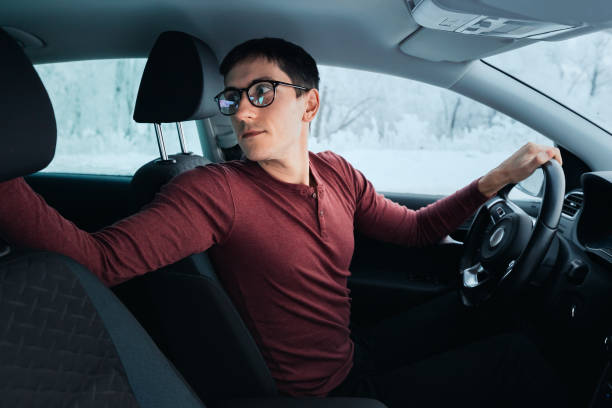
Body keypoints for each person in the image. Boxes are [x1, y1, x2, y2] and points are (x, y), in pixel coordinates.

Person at [0, 38, 565, 407]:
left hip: (351, 353)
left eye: (261, 93)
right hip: (318, 395)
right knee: (514, 359)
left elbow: (416, 231)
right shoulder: (213, 191)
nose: (242, 111)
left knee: (483, 313)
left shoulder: (338, 172)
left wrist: (498, 177)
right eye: (232, 99)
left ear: (309, 105)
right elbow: (100, 261)